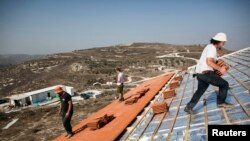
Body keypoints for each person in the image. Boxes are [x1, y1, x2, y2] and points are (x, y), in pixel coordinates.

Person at [184, 33, 232, 114]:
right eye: (223, 43)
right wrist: (220, 69)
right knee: (224, 85)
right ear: (219, 42)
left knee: (200, 91)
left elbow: (212, 61)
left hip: (200, 73)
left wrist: (219, 64)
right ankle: (221, 103)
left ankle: (188, 107)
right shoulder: (212, 48)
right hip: (206, 74)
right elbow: (209, 62)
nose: (223, 44)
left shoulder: (209, 47)